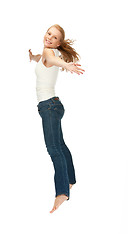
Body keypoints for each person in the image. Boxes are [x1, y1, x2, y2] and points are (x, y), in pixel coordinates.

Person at [29, 24, 85, 213]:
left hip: (49, 106)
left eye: (54, 37)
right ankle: (70, 180)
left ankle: (62, 192)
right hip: (53, 105)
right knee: (60, 145)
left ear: (58, 43)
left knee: (54, 149)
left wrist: (66, 65)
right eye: (48, 33)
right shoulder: (46, 54)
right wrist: (32, 57)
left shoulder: (51, 53)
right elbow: (43, 58)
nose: (49, 38)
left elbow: (52, 59)